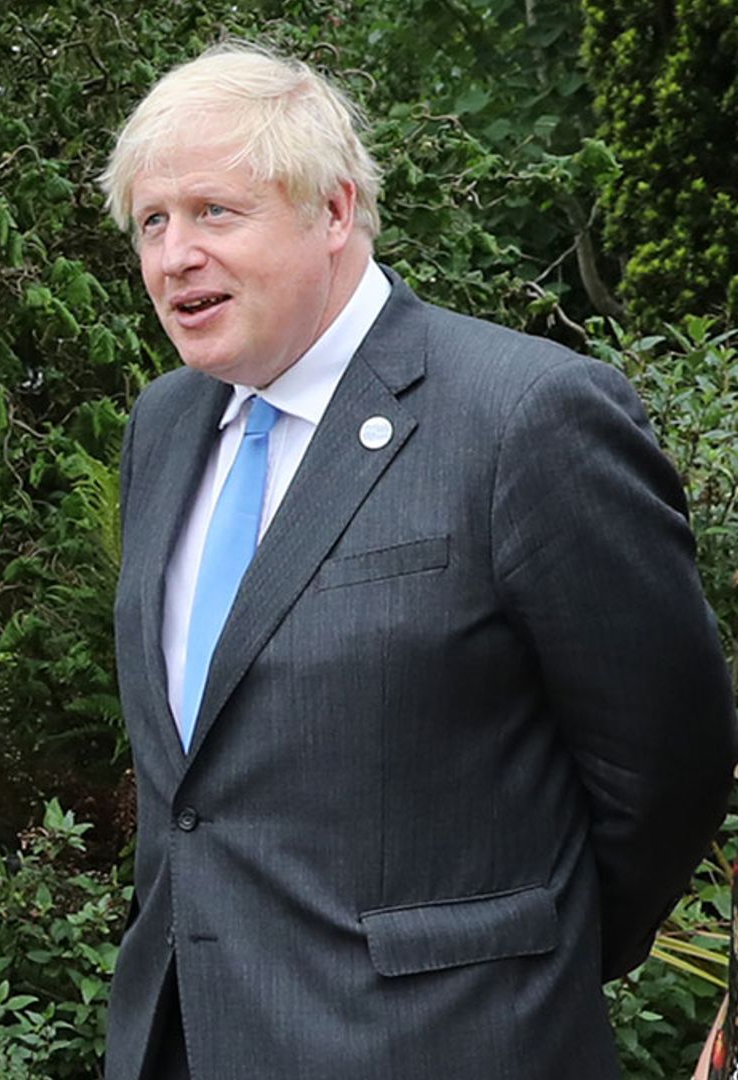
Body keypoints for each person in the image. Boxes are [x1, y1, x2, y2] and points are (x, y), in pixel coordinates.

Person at [98, 43, 735, 1080]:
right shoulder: (165, 427)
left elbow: (667, 764)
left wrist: (523, 964)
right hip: (184, 1043)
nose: (174, 257)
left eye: (215, 211)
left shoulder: (524, 417)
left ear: (335, 212)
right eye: (153, 222)